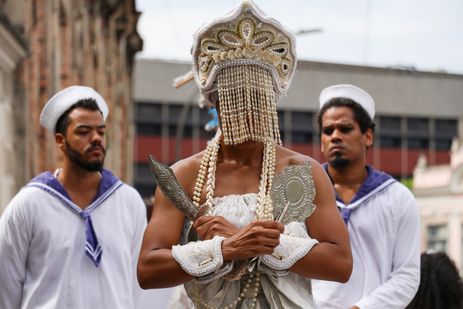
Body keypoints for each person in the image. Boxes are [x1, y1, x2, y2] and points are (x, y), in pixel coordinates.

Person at [137, 1, 352, 308]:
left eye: (260, 100)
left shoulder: (300, 171)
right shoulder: (187, 176)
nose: (249, 112)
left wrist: (256, 245)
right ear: (216, 104)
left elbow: (341, 263)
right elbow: (147, 269)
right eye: (237, 99)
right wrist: (224, 249)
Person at [0, 85, 147, 309]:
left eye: (101, 131)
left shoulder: (128, 202)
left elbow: (138, 287)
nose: (96, 138)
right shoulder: (29, 204)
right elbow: (6, 286)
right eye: (83, 131)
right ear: (60, 140)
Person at [311, 84, 421, 308]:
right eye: (328, 130)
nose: (335, 137)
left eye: (345, 128)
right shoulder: (301, 192)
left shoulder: (398, 198)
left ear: (368, 136)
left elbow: (407, 275)